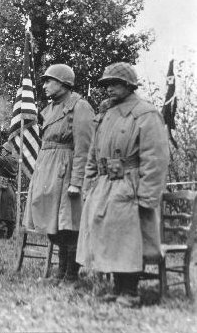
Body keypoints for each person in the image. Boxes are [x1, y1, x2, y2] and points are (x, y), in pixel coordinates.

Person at [77, 62, 169, 307]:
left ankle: (130, 291)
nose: (109, 89)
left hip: (131, 185)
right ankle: (117, 287)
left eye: (115, 83)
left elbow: (156, 158)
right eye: (107, 84)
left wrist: (147, 195)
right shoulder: (106, 115)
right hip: (105, 185)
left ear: (129, 85)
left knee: (128, 239)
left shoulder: (146, 114)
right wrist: (89, 187)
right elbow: (93, 156)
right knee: (110, 236)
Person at [24, 64, 94, 283]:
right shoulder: (49, 109)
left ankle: (70, 275)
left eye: (49, 81)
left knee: (68, 225)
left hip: (66, 171)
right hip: (47, 170)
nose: (44, 86)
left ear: (64, 83)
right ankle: (61, 271)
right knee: (51, 224)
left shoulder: (79, 107)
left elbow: (85, 148)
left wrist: (77, 182)